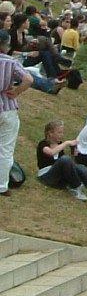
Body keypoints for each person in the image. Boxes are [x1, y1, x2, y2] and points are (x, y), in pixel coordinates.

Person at [36, 119, 87, 210]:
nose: (62, 135)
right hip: (47, 176)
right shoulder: (43, 144)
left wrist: (74, 153)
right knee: (65, 159)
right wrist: (67, 143)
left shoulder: (60, 144)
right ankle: (75, 187)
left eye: (62, 132)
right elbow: (51, 153)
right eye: (59, 132)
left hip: (60, 179)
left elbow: (69, 166)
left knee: (81, 168)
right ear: (50, 133)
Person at [0, 29, 33, 197]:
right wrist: (17, 91)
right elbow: (29, 79)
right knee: (6, 148)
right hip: (6, 106)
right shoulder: (11, 62)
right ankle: (2, 185)